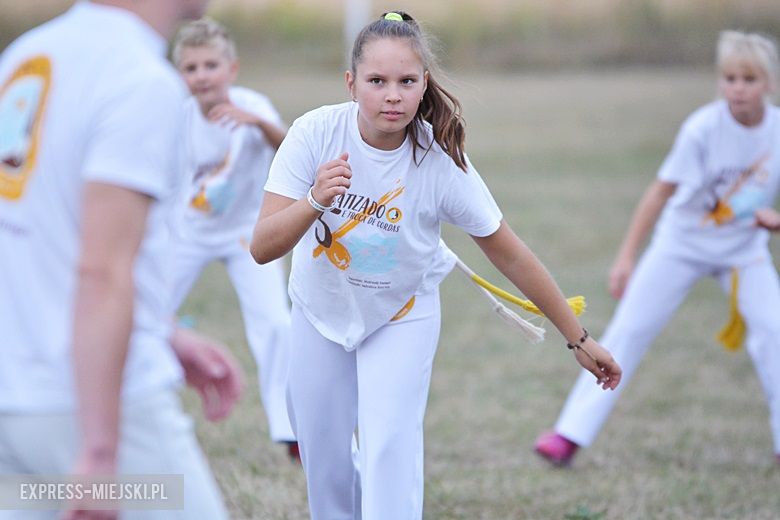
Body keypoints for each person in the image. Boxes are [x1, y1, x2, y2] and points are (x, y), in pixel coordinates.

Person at [250, 11, 622, 520]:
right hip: (320, 311)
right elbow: (262, 247)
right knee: (326, 459)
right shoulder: (315, 132)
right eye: (377, 81)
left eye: (406, 81)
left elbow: (508, 251)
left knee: (388, 450)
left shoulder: (440, 161)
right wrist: (315, 199)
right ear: (351, 83)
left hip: (401, 314)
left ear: (424, 83)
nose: (392, 95)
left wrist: (578, 338)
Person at [0, 1, 237, 518]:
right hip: (92, 409)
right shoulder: (138, 80)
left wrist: (161, 330)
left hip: (14, 403)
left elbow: (36, 233)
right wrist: (101, 450)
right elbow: (101, 270)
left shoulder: (28, 56)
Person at [535, 30, 780, 468]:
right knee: (630, 329)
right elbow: (658, 193)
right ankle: (568, 435)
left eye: (749, 79)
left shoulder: (777, 132)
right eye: (729, 78)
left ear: (770, 83)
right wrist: (626, 258)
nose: (737, 88)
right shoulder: (703, 128)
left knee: (775, 334)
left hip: (744, 252)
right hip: (681, 245)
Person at [170, 18, 297, 456]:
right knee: (146, 314)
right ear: (180, 75)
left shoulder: (252, 105)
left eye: (210, 65)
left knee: (275, 323)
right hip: (188, 232)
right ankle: (142, 403)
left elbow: (291, 150)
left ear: (232, 69)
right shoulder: (176, 116)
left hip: (246, 235)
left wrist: (258, 123)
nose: (202, 76)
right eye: (191, 68)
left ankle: (290, 428)